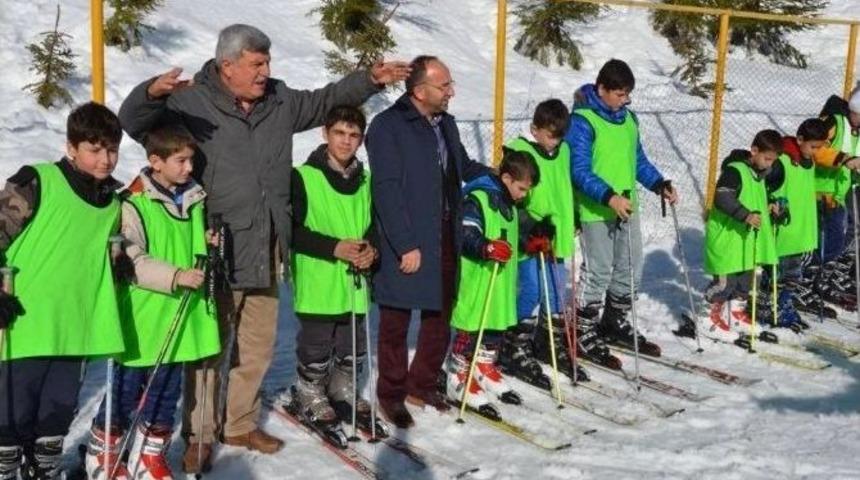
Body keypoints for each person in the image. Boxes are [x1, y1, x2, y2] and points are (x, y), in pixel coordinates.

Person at [118, 24, 408, 470]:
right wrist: (150, 94)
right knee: (208, 349)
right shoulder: (191, 101)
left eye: (267, 62)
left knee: (256, 346)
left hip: (267, 245)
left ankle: (240, 422)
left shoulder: (279, 99)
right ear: (227, 65)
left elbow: (325, 99)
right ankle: (199, 433)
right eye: (256, 64)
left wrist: (369, 80)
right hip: (215, 247)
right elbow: (134, 123)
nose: (265, 71)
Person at [83, 124, 221, 480]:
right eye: (181, 160)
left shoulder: (192, 198)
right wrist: (175, 275)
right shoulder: (135, 202)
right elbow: (132, 259)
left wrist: (205, 242)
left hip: (179, 314)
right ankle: (105, 454)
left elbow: (183, 242)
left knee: (165, 391)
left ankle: (148, 455)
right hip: (144, 315)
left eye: (190, 160)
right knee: (126, 389)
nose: (189, 168)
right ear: (155, 161)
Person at [0, 102, 126, 480]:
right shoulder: (35, 181)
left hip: (75, 323)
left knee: (58, 407)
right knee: (13, 408)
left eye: (112, 150)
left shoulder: (112, 201)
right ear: (71, 148)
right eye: (94, 150)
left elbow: (113, 247)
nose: (105, 160)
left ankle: (45, 466)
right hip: (24, 321)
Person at [367, 55, 491, 428]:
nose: (451, 92)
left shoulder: (446, 124)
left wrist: (498, 176)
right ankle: (390, 394)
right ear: (420, 91)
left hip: (445, 232)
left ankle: (421, 384)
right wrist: (405, 244)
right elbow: (386, 189)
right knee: (396, 318)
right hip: (407, 236)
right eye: (444, 86)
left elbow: (462, 168)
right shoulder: (388, 127)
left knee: (440, 314)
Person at [565, 59, 677, 359]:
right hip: (596, 208)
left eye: (628, 94)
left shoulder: (628, 119)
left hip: (627, 205)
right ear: (601, 89)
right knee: (599, 270)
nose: (625, 99)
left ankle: (613, 322)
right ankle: (581, 328)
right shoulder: (582, 121)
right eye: (619, 93)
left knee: (630, 268)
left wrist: (658, 184)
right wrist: (608, 196)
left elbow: (637, 160)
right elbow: (577, 169)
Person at [286, 106, 378, 431]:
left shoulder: (366, 180)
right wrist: (334, 247)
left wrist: (371, 249)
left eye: (354, 135)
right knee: (317, 343)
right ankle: (309, 390)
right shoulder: (303, 177)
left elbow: (373, 225)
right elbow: (292, 232)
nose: (346, 141)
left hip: (354, 281)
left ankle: (342, 388)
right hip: (319, 278)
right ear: (325, 134)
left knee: (352, 343)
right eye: (339, 133)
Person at [500, 99, 593, 388]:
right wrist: (530, 222)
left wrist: (574, 214)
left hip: (557, 235)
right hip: (531, 237)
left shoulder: (563, 150)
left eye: (560, 136)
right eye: (551, 135)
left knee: (555, 292)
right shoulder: (520, 150)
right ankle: (513, 344)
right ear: (535, 129)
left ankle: (548, 342)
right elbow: (508, 195)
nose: (555, 142)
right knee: (530, 290)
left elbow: (565, 185)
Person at [445, 148, 538, 412]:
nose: (524, 195)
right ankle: (457, 374)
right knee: (470, 325)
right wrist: (485, 247)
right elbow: (466, 233)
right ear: (506, 178)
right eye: (521, 188)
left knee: (494, 325)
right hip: (477, 280)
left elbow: (512, 232)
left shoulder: (509, 201)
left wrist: (532, 240)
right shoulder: (478, 197)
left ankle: (483, 365)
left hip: (499, 281)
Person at [703, 130, 782, 331]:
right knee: (725, 284)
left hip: (746, 241)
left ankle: (734, 312)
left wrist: (770, 205)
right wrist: (745, 215)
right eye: (767, 158)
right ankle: (707, 314)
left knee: (745, 282)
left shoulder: (760, 175)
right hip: (728, 240)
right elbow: (722, 197)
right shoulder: (735, 171)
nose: (769, 164)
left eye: (773, 160)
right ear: (754, 150)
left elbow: (756, 197)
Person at [761, 119, 828, 329]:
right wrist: (772, 203)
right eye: (813, 146)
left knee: (794, 275)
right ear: (800, 139)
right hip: (784, 231)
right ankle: (766, 307)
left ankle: (784, 304)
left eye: (820, 147)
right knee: (777, 273)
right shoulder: (783, 161)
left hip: (801, 231)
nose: (816, 151)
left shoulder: (808, 161)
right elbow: (762, 184)